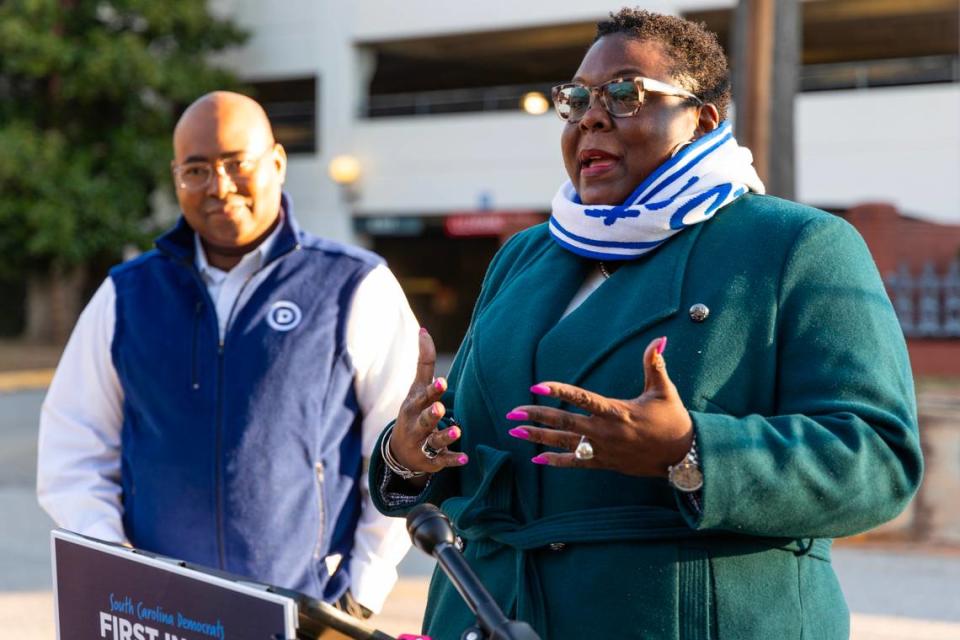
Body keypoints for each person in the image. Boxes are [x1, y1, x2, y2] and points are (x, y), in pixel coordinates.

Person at [370, 9, 923, 640]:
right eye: (576, 99)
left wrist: (690, 452)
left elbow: (878, 460)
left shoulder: (795, 244)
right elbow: (486, 456)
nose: (591, 116)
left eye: (626, 94)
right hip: (491, 612)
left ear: (703, 119)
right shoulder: (526, 255)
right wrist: (411, 455)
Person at [37, 91, 418, 618]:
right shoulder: (125, 296)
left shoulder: (354, 286)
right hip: (159, 615)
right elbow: (72, 449)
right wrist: (116, 570)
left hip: (303, 612)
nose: (219, 186)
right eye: (196, 169)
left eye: (237, 164)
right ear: (176, 177)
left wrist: (360, 592)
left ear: (277, 163)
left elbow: (399, 452)